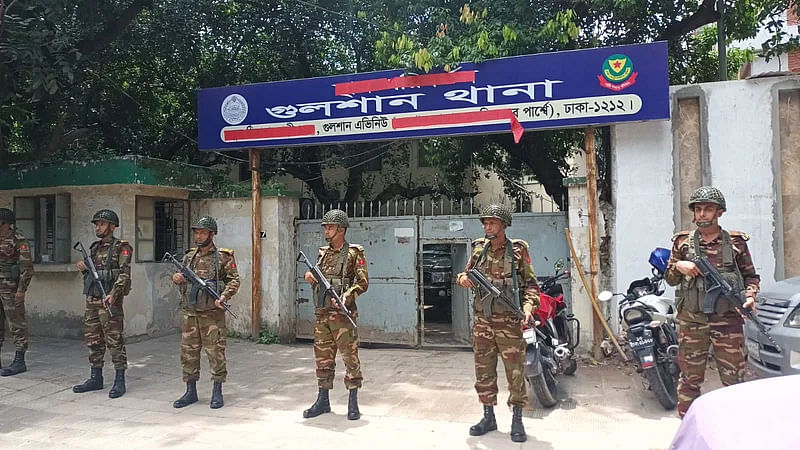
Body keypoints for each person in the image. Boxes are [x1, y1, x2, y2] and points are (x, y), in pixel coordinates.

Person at [664, 186, 760, 418]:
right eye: (698, 209)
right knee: (690, 379)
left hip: (728, 323)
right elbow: (669, 279)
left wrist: (749, 295)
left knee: (733, 379)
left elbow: (751, 276)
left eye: (708, 209)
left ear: (719, 212)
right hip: (693, 322)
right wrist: (679, 266)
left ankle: (733, 430)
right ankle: (688, 428)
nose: (702, 214)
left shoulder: (736, 243)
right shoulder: (682, 243)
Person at [456, 204, 540, 443]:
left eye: (492, 222)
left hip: (509, 323)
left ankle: (517, 418)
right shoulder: (478, 249)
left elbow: (531, 285)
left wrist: (527, 308)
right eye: (485, 223)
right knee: (483, 371)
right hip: (483, 322)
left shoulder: (517, 251)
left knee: (515, 372)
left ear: (504, 225)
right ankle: (488, 416)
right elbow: (465, 274)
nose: (487, 226)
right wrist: (463, 280)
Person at [302, 209, 368, 421]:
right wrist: (310, 276)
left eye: (330, 227)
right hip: (322, 315)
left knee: (350, 358)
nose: (326, 231)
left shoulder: (354, 253)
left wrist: (346, 296)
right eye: (326, 227)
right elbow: (318, 275)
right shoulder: (323, 252)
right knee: (323, 359)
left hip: (342, 316)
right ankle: (323, 400)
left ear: (341, 229)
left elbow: (363, 282)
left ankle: (353, 401)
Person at [171, 216, 240, 409]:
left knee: (215, 353)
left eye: (202, 232)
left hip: (212, 315)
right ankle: (190, 391)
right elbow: (181, 277)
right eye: (196, 232)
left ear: (212, 234)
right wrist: (177, 278)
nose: (198, 236)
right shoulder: (189, 257)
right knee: (188, 354)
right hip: (190, 313)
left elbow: (234, 280)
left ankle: (217, 392)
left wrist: (224, 296)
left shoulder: (223, 257)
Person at [73, 209, 132, 398]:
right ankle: (96, 377)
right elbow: (92, 274)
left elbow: (123, 274)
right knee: (93, 339)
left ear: (112, 226)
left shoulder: (121, 247)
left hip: (109, 300)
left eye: (102, 224)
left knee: (114, 340)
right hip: (92, 299)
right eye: (97, 224)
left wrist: (114, 294)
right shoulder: (94, 248)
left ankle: (119, 380)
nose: (98, 227)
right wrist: (83, 268)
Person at [0, 207, 34, 376]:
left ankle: (19, 360)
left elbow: (27, 268)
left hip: (11, 289)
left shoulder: (18, 240)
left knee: (16, 324)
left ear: (5, 224)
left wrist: (21, 290)